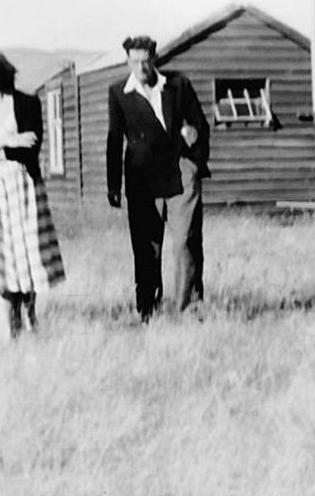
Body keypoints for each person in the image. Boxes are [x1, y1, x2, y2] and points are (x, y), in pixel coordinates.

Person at [0, 49, 65, 341]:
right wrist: (5, 141)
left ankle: (29, 316)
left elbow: (30, 146)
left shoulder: (28, 103)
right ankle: (6, 323)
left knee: (26, 255)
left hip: (23, 187)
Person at [106, 35, 210, 322]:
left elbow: (199, 124)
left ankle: (187, 309)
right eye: (135, 61)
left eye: (146, 61)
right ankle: (148, 311)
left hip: (180, 173)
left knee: (185, 241)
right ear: (127, 61)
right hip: (142, 178)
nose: (141, 67)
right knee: (146, 247)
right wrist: (113, 185)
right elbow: (115, 139)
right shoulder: (118, 92)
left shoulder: (178, 86)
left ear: (155, 59)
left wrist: (194, 153)